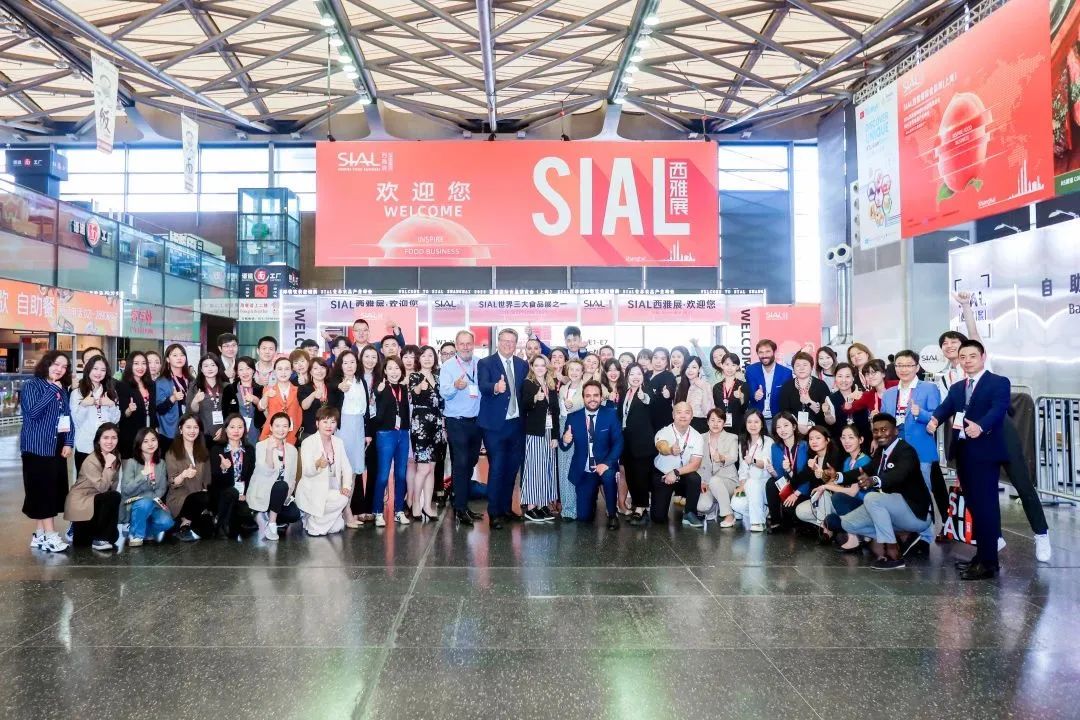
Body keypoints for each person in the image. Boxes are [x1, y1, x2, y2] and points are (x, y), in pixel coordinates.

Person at [940, 293, 1051, 562]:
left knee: (1022, 484)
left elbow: (974, 334)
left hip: (1000, 434)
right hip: (971, 441)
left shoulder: (981, 365)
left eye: (955, 342)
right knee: (980, 492)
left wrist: (965, 307)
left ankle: (1041, 534)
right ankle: (994, 537)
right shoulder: (947, 377)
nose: (950, 347)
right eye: (945, 344)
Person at [928, 340, 1011, 580]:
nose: (967, 361)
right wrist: (934, 420)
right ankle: (982, 557)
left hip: (985, 453)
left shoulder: (998, 382)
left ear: (983, 356)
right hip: (964, 453)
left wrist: (981, 426)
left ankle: (989, 562)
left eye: (972, 356)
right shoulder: (958, 387)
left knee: (986, 507)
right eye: (963, 357)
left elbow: (998, 409)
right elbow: (946, 407)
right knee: (974, 506)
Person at [841, 413, 933, 571]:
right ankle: (902, 536)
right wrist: (837, 476)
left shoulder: (906, 451)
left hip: (915, 514)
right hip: (895, 511)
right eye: (876, 431)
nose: (879, 434)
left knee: (872, 498)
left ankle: (893, 554)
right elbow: (863, 470)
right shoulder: (881, 452)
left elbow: (898, 475)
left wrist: (873, 480)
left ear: (896, 431)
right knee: (848, 523)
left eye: (884, 430)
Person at [478, 328, 528, 529]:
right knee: (497, 468)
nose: (508, 344)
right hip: (495, 427)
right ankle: (494, 512)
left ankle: (507, 509)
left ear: (516, 344)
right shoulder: (486, 363)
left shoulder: (522, 364)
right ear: (498, 342)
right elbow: (482, 386)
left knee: (512, 469)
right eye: (504, 340)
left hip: (516, 425)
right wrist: (495, 388)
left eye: (512, 341)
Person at [882, 350, 941, 517]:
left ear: (917, 367)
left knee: (922, 490)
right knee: (897, 490)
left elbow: (937, 415)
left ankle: (925, 528)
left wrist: (920, 413)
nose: (904, 369)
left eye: (908, 365)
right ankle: (903, 526)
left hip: (920, 449)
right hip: (896, 449)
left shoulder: (929, 388)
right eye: (899, 365)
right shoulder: (889, 393)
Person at [559, 380, 623, 528]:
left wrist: (606, 463)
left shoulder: (611, 414)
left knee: (608, 476)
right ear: (583, 398)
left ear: (601, 397)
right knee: (583, 517)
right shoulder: (573, 417)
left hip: (604, 465)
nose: (592, 399)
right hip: (585, 470)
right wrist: (565, 440)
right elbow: (563, 446)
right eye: (588, 396)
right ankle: (591, 499)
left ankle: (612, 514)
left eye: (596, 395)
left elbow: (618, 442)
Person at [440, 330, 484, 526]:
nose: (466, 347)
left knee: (471, 461)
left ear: (473, 344)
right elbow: (444, 392)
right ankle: (460, 507)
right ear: (456, 346)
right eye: (462, 344)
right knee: (461, 462)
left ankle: (463, 502)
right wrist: (454, 387)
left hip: (477, 421)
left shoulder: (479, 364)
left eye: (469, 343)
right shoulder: (448, 366)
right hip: (456, 421)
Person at [327, 350, 369, 528]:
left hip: (358, 427)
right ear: (340, 365)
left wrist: (367, 433)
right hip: (343, 427)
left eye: (352, 362)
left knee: (353, 472)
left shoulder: (361, 381)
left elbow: (366, 410)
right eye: (345, 362)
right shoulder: (336, 383)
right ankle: (345, 512)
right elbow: (332, 399)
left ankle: (347, 509)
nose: (350, 366)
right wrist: (339, 388)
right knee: (343, 470)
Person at [296, 406, 353, 536]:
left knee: (338, 526)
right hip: (312, 489)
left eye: (333, 422)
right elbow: (307, 471)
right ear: (317, 423)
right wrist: (317, 464)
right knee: (334, 522)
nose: (329, 426)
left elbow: (347, 468)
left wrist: (346, 486)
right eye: (325, 421)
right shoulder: (308, 442)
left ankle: (313, 520)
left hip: (331, 488)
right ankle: (314, 523)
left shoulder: (338, 442)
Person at [64, 422, 121, 550]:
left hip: (96, 501)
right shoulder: (91, 460)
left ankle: (101, 536)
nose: (110, 441)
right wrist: (108, 466)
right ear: (98, 440)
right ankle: (97, 537)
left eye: (114, 438)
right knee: (113, 496)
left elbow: (114, 484)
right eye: (105, 438)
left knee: (113, 537)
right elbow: (103, 488)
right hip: (82, 503)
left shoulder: (115, 456)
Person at [817, 424, 872, 551]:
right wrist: (824, 482)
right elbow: (841, 485)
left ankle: (853, 538)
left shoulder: (865, 461)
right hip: (852, 506)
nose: (846, 441)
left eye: (851, 437)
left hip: (864, 506)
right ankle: (862, 535)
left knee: (837, 498)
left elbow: (852, 492)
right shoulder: (847, 461)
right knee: (830, 520)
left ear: (861, 440)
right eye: (843, 437)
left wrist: (826, 486)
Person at [650, 401, 704, 527]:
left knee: (695, 478)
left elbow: (695, 464)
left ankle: (690, 513)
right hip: (664, 474)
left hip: (683, 474)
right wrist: (670, 450)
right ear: (673, 415)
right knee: (658, 517)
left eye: (687, 413)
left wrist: (675, 472)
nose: (683, 416)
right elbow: (661, 446)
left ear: (692, 416)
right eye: (679, 412)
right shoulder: (664, 431)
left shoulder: (697, 436)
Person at [372, 356, 411, 526]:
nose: (394, 372)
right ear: (385, 371)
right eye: (390, 368)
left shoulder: (404, 387)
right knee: (383, 475)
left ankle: (399, 511)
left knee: (401, 474)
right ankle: (378, 512)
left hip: (403, 433)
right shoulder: (380, 387)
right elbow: (373, 409)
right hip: (386, 434)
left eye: (397, 368)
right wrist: (377, 393)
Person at [520, 353, 559, 522]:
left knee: (547, 469)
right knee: (534, 469)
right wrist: (535, 398)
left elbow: (555, 412)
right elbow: (523, 406)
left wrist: (555, 436)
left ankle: (542, 504)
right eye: (536, 365)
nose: (540, 368)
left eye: (543, 365)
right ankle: (530, 507)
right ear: (532, 367)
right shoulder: (528, 384)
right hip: (534, 432)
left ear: (547, 367)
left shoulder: (551, 384)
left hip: (549, 432)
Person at [250, 412, 301, 541]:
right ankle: (272, 524)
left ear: (289, 428)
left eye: (285, 426)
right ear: (271, 427)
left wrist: (287, 496)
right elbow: (265, 473)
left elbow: (292, 478)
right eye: (277, 426)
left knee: (294, 514)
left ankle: (268, 515)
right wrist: (269, 451)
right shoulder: (261, 446)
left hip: (281, 495)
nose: (281, 430)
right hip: (264, 492)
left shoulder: (292, 450)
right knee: (281, 485)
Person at [119, 428, 174, 546]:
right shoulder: (132, 463)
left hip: (153, 502)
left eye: (153, 440)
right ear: (139, 444)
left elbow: (162, 488)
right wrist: (143, 475)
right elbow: (126, 490)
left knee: (168, 522)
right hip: (133, 503)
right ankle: (135, 535)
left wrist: (150, 497)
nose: (150, 444)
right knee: (144, 503)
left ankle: (144, 532)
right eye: (145, 441)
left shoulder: (161, 463)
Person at [409, 345, 445, 521]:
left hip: (437, 425)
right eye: (423, 356)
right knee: (423, 468)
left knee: (431, 468)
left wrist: (443, 426)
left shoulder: (438, 377)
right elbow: (414, 394)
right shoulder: (414, 376)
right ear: (419, 359)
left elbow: (442, 403)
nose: (427, 358)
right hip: (421, 426)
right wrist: (420, 387)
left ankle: (427, 506)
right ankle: (415, 503)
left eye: (430, 355)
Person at [164, 412, 211, 542]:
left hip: (199, 498)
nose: (192, 431)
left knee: (208, 531)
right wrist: (183, 474)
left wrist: (205, 502)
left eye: (195, 427)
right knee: (201, 497)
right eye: (188, 427)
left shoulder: (203, 451)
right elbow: (172, 482)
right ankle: (185, 523)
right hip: (180, 499)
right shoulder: (172, 453)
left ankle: (184, 523)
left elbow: (207, 479)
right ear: (180, 429)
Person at [70, 355, 121, 473]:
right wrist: (84, 405)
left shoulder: (111, 392)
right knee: (85, 482)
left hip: (107, 446)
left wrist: (111, 405)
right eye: (95, 368)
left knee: (107, 480)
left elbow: (115, 420)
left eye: (103, 370)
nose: (99, 373)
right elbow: (76, 421)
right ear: (88, 369)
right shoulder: (77, 393)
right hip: (85, 446)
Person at [209, 414, 255, 541]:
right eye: (232, 427)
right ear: (226, 429)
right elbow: (215, 480)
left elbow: (250, 476)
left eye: (240, 427)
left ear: (244, 429)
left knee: (247, 521)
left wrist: (246, 494)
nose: (236, 431)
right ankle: (221, 526)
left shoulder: (249, 450)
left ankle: (225, 521)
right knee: (231, 493)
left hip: (242, 494)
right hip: (222, 493)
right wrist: (224, 469)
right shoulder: (217, 449)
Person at [622, 364, 656, 526]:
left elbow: (649, 401)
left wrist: (643, 396)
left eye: (639, 374)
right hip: (627, 442)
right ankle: (637, 504)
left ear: (643, 376)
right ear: (627, 376)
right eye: (632, 374)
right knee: (631, 476)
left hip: (642, 443)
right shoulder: (626, 393)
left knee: (641, 476)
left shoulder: (647, 391)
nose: (635, 377)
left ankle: (641, 507)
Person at [791, 425, 842, 531]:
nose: (814, 441)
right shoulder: (812, 458)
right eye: (811, 439)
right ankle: (828, 525)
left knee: (823, 493)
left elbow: (836, 482)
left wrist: (822, 474)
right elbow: (796, 481)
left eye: (818, 438)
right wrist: (810, 469)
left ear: (827, 440)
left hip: (835, 499)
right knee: (800, 511)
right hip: (819, 501)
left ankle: (825, 530)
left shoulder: (836, 455)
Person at [764, 411, 808, 531]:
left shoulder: (804, 446)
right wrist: (773, 472)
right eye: (778, 427)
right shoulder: (775, 447)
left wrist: (796, 493)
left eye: (786, 425)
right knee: (771, 483)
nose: (782, 430)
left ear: (794, 426)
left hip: (802, 487)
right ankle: (776, 522)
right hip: (788, 485)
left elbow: (808, 476)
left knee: (792, 513)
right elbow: (779, 477)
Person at [731, 409, 772, 532]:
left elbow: (766, 464)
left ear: (762, 424)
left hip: (764, 484)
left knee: (753, 483)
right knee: (736, 504)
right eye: (749, 422)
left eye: (756, 422)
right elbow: (742, 470)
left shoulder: (768, 441)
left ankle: (758, 522)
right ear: (745, 424)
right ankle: (764, 510)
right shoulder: (743, 442)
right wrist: (742, 486)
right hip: (748, 484)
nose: (753, 425)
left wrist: (753, 460)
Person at [697, 408, 740, 528]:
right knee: (702, 507)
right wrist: (702, 481)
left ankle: (729, 515)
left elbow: (734, 457)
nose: (715, 424)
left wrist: (722, 458)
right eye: (712, 420)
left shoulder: (732, 437)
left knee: (715, 480)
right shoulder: (700, 438)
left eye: (719, 421)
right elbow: (697, 462)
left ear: (724, 423)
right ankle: (717, 505)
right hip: (708, 482)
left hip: (728, 481)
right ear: (707, 422)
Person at [556, 359, 586, 519]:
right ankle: (568, 508)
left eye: (577, 370)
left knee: (577, 467)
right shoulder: (563, 388)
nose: (574, 372)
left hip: (579, 428)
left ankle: (580, 507)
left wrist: (572, 404)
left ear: (582, 372)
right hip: (563, 426)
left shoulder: (586, 388)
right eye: (571, 369)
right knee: (563, 469)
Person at [116, 351, 157, 460]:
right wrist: (129, 410)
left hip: (149, 434)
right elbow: (122, 414)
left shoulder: (151, 385)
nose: (140, 367)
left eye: (143, 363)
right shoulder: (122, 386)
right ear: (130, 365)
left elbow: (153, 410)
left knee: (149, 466)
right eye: (136, 363)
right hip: (131, 436)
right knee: (131, 468)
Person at [778, 351, 830, 434]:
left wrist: (809, 402)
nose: (801, 368)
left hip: (818, 431)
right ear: (793, 369)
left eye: (805, 365)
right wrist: (798, 426)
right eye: (798, 365)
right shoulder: (786, 387)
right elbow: (784, 412)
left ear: (811, 367)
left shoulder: (821, 385)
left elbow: (826, 412)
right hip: (794, 431)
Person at [745, 339, 792, 430]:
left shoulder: (786, 373)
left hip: (777, 420)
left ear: (774, 352)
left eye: (767, 351)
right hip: (756, 419)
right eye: (761, 352)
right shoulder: (751, 370)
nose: (764, 355)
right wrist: (754, 395)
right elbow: (747, 393)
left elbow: (787, 399)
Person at [823, 363, 871, 451]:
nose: (843, 380)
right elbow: (830, 422)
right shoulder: (830, 399)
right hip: (841, 445)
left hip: (864, 442)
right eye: (840, 376)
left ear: (853, 378)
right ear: (835, 378)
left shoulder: (862, 395)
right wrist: (827, 413)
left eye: (847, 376)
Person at [155, 343, 192, 452]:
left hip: (189, 428)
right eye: (175, 355)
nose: (179, 358)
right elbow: (159, 409)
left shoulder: (191, 380)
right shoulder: (161, 381)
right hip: (169, 430)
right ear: (167, 359)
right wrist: (172, 399)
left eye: (182, 355)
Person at [258, 357, 302, 445]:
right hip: (270, 434)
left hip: (292, 434)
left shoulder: (298, 390)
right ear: (274, 371)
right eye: (280, 369)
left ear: (291, 371)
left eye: (287, 369)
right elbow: (261, 408)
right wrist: (266, 395)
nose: (283, 372)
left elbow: (299, 414)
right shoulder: (268, 389)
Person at [187, 353, 227, 446]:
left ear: (218, 367)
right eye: (206, 366)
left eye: (213, 365)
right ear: (201, 369)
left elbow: (232, 412)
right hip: (202, 435)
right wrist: (195, 401)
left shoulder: (226, 386)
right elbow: (190, 412)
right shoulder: (194, 386)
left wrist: (225, 428)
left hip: (224, 434)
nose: (210, 368)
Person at [222, 356, 264, 447]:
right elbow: (225, 413)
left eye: (248, 368)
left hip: (254, 430)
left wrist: (256, 401)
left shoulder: (260, 389)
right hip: (235, 431)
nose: (245, 372)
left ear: (253, 370)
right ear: (237, 372)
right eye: (241, 369)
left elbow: (264, 412)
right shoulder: (229, 389)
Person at [712, 352, 749, 434]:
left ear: (737, 367)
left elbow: (744, 409)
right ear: (722, 365)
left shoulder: (743, 385)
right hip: (721, 426)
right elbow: (716, 408)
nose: (730, 368)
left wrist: (741, 397)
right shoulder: (716, 387)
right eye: (727, 364)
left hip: (738, 426)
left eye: (733, 365)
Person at [675, 356, 714, 433]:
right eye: (687, 367)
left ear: (700, 369)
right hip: (682, 425)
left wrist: (704, 389)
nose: (690, 370)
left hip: (700, 425)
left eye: (694, 367)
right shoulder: (680, 386)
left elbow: (707, 411)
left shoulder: (705, 385)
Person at [298, 357, 331, 440]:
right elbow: (304, 406)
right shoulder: (304, 387)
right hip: (310, 432)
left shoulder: (331, 387)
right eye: (315, 368)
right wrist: (313, 395)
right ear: (310, 372)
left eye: (322, 367)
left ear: (326, 370)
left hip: (329, 431)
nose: (319, 371)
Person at [646, 347, 677, 431]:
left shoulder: (669, 376)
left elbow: (670, 388)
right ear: (652, 359)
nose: (658, 361)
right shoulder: (646, 374)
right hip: (646, 420)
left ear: (667, 362)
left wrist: (668, 393)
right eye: (655, 357)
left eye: (663, 359)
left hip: (662, 421)